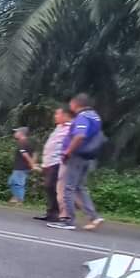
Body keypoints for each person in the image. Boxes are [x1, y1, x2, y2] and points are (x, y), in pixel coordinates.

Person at [49, 93, 105, 231]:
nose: (70, 106)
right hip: (88, 156)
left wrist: (67, 152)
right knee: (80, 187)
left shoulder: (82, 117)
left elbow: (79, 135)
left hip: (77, 156)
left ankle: (69, 221)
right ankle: (94, 216)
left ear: (76, 103)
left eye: (71, 103)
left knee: (69, 188)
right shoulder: (95, 116)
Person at [34, 107, 73, 221]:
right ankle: (51, 212)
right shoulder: (58, 127)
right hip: (50, 162)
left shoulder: (70, 128)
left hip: (59, 162)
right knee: (49, 187)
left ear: (65, 116)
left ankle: (57, 213)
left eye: (57, 114)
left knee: (52, 186)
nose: (55, 116)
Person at [8, 127, 39, 205]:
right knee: (11, 181)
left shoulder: (21, 142)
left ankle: (20, 200)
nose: (15, 134)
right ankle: (15, 197)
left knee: (19, 183)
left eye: (16, 132)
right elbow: (35, 153)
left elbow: (25, 155)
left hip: (20, 167)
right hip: (23, 167)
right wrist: (33, 163)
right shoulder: (30, 142)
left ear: (21, 133)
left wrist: (32, 164)